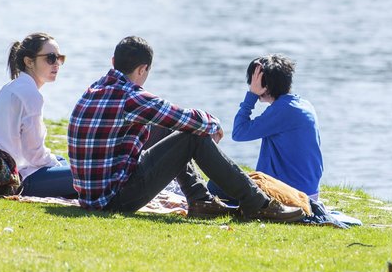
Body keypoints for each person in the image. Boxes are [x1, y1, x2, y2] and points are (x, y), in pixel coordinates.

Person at [67, 36, 305, 222]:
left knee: (168, 127)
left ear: (113, 62)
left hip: (91, 197)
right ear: (142, 69)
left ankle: (200, 199)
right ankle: (258, 204)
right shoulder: (130, 97)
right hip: (113, 200)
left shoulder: (93, 90)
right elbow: (180, 115)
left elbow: (168, 118)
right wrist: (212, 124)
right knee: (193, 137)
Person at [0, 33, 76, 198]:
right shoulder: (30, 94)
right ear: (29, 61)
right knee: (87, 174)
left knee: (61, 162)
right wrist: (55, 164)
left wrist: (55, 163)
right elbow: (34, 154)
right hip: (12, 179)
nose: (57, 63)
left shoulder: (14, 86)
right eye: (50, 58)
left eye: (60, 58)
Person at [229, 55, 323, 199]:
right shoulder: (302, 104)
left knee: (215, 186)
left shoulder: (283, 110)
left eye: (254, 81)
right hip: (309, 192)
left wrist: (252, 95)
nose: (251, 85)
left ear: (264, 84)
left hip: (290, 195)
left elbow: (238, 133)